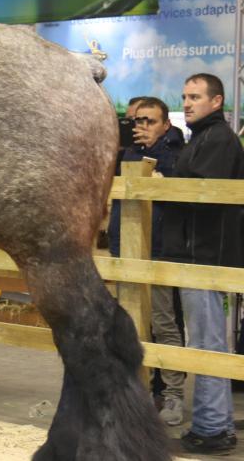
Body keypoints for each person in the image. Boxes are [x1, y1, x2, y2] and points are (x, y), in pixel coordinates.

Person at [162, 73, 242, 454]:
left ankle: (212, 429)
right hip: (200, 254)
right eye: (184, 96)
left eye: (195, 96)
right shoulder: (206, 139)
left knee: (206, 343)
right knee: (208, 342)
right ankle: (217, 423)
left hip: (204, 256)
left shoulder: (217, 140)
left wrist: (164, 186)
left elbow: (201, 196)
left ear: (217, 102)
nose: (187, 103)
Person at [107, 97, 186, 425]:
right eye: (137, 121)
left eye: (149, 121)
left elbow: (177, 192)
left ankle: (174, 395)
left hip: (157, 252)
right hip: (123, 250)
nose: (142, 126)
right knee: (124, 325)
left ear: (166, 124)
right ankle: (130, 393)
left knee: (164, 324)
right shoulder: (127, 153)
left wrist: (158, 156)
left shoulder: (175, 155)